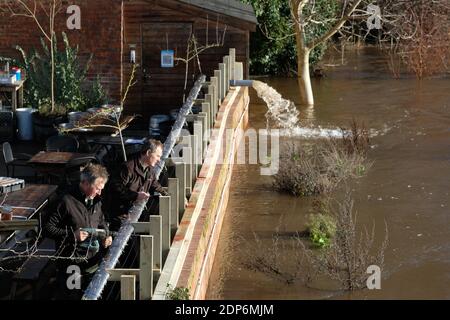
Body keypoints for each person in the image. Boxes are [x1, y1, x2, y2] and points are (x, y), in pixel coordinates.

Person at [44, 163, 112, 299]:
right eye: (97, 188)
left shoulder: (96, 199)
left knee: (92, 294)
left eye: (101, 189)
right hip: (71, 262)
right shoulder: (65, 200)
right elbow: (46, 229)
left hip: (93, 260)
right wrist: (71, 236)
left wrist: (107, 234)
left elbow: (101, 220)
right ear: (85, 183)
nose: (100, 192)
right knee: (71, 295)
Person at [106, 138, 168, 229]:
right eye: (157, 156)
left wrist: (168, 196)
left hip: (135, 214)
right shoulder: (128, 168)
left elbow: (156, 185)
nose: (159, 160)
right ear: (148, 153)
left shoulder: (149, 169)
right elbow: (115, 189)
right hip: (120, 217)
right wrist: (135, 195)